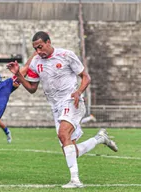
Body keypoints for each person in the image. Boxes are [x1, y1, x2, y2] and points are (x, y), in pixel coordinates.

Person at [7, 31, 118, 188]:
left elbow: (86, 77)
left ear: (48, 42)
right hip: (56, 107)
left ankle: (75, 181)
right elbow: (32, 88)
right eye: (35, 49)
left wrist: (79, 92)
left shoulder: (66, 55)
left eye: (40, 47)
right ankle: (100, 139)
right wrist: (18, 74)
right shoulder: (35, 63)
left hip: (72, 101)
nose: (38, 52)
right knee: (71, 150)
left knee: (63, 134)